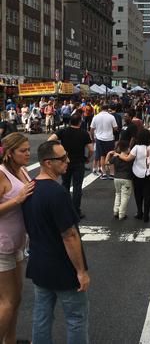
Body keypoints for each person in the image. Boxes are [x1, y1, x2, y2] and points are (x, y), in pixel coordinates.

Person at [22, 141, 90, 344]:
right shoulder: (58, 193)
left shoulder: (30, 189)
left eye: (66, 155)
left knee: (41, 316)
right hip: (63, 267)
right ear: (47, 163)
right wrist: (81, 271)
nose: (67, 161)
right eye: (62, 158)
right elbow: (69, 235)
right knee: (76, 318)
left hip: (39, 263)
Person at [0, 133, 34, 344]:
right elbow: (18, 200)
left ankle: (10, 341)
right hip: (1, 247)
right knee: (8, 301)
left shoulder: (22, 170)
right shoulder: (1, 174)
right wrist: (18, 200)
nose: (28, 153)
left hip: (18, 244)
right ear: (10, 153)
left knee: (17, 298)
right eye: (23, 150)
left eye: (29, 149)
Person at [48, 114, 93, 219]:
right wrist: (87, 158)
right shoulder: (84, 133)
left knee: (65, 185)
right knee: (77, 187)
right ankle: (76, 211)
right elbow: (91, 149)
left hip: (65, 161)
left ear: (69, 122)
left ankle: (64, 209)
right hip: (79, 162)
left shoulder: (63, 131)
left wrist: (58, 152)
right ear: (80, 122)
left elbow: (50, 140)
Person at [122, 129, 150, 223]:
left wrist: (119, 155)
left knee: (138, 194)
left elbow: (128, 159)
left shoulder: (136, 147)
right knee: (148, 195)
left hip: (138, 173)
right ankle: (146, 215)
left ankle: (139, 213)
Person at [105, 140, 133, 220]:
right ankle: (122, 214)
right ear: (128, 148)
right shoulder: (129, 157)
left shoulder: (115, 157)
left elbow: (106, 166)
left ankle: (115, 211)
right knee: (125, 196)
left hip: (116, 178)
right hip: (127, 178)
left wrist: (108, 155)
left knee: (118, 194)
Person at [90, 104, 118, 179]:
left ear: (100, 109)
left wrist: (92, 138)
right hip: (109, 138)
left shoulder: (96, 117)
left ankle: (104, 174)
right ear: (108, 109)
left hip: (99, 139)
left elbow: (91, 129)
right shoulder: (111, 117)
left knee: (102, 156)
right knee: (111, 155)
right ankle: (112, 174)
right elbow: (115, 128)